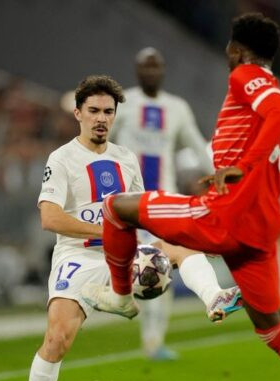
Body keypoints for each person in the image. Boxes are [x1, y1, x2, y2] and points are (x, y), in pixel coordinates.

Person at [86, 14, 280, 381]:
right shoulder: (267, 84)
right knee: (273, 329)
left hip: (225, 216)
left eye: (230, 48)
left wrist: (242, 166)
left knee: (116, 208)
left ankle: (121, 296)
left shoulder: (244, 76)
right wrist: (231, 167)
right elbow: (267, 124)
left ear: (236, 50)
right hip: (259, 230)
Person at [23, 75, 241, 381]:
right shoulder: (62, 158)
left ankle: (214, 295)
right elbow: (49, 218)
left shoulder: (125, 158)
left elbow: (141, 214)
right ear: (78, 113)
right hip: (79, 254)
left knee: (180, 244)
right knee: (58, 339)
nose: (101, 118)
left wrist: (177, 232)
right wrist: (106, 230)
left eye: (108, 112)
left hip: (126, 250)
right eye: (93, 110)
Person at [110, 47, 216, 360]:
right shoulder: (123, 105)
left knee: (161, 266)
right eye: (146, 67)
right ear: (137, 70)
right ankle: (147, 334)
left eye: (156, 67)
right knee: (142, 267)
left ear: (163, 71)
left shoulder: (177, 108)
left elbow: (197, 145)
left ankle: (154, 340)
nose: (151, 72)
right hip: (128, 201)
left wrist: (217, 178)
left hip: (164, 202)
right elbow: (100, 144)